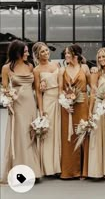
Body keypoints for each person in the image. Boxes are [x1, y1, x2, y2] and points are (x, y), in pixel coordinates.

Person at [1, 40, 41, 182]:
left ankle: (33, 171)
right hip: (16, 107)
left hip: (30, 105)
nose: (27, 53)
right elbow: (4, 90)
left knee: (30, 135)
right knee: (19, 138)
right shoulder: (6, 68)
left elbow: (36, 89)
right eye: (25, 51)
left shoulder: (30, 66)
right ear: (17, 52)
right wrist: (8, 102)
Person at [59, 44, 90, 179]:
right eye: (65, 53)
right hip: (68, 107)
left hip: (83, 104)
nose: (66, 56)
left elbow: (92, 87)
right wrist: (65, 104)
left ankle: (84, 170)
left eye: (68, 53)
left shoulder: (85, 68)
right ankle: (70, 170)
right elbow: (60, 89)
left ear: (75, 55)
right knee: (68, 136)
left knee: (83, 133)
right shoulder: (62, 70)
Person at [32, 42, 61, 176]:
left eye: (46, 50)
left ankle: (59, 165)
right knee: (48, 133)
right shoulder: (37, 70)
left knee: (59, 132)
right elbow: (38, 92)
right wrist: (41, 109)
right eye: (42, 52)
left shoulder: (56, 65)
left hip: (60, 100)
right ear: (37, 55)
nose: (45, 53)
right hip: (48, 100)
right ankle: (48, 167)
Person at [88, 48, 105, 179]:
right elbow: (93, 92)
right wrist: (90, 111)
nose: (102, 59)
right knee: (97, 137)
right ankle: (97, 170)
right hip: (98, 107)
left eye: (104, 57)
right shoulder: (96, 72)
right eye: (99, 57)